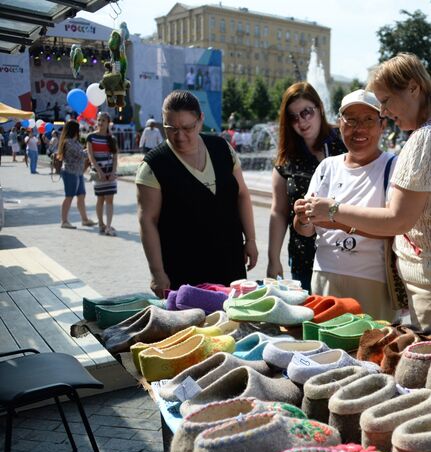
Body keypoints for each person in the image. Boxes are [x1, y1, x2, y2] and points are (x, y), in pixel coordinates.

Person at [302, 53, 431, 347]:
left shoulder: (428, 137)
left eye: (386, 100)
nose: (384, 110)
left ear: (414, 88)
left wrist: (334, 210)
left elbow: (398, 219)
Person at [136, 90, 258, 296]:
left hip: (230, 260)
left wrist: (251, 240)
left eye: (187, 128)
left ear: (200, 120)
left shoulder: (222, 149)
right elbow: (148, 220)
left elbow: (242, 194)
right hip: (184, 269)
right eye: (171, 128)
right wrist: (157, 272)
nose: (180, 136)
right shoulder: (154, 165)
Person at [294, 90, 396, 320]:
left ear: (382, 125)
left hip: (372, 279)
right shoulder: (327, 167)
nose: (358, 128)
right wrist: (302, 217)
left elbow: (392, 224)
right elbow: (305, 230)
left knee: (369, 350)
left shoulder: (393, 166)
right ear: (340, 124)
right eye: (350, 120)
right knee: (323, 349)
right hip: (324, 273)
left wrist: (333, 216)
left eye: (368, 120)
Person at [267, 81, 346, 290]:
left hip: (347, 255)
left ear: (319, 108)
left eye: (306, 112)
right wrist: (273, 258)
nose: (301, 122)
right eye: (293, 117)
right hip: (304, 258)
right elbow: (279, 211)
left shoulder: (344, 141)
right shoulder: (287, 158)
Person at [56, 120, 97, 229]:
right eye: (77, 129)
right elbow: (81, 155)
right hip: (70, 172)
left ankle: (84, 219)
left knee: (81, 196)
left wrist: (88, 149)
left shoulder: (73, 141)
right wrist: (90, 149)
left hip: (77, 172)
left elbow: (81, 153)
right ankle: (64, 221)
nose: (79, 131)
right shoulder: (68, 142)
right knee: (69, 196)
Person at [87, 112, 119, 236]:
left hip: (110, 174)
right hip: (99, 173)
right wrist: (99, 171)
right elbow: (91, 156)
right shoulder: (91, 137)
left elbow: (115, 157)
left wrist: (113, 172)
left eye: (103, 120)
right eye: (99, 120)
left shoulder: (112, 139)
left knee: (110, 200)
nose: (100, 123)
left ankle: (108, 226)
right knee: (100, 199)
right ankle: (101, 224)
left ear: (108, 123)